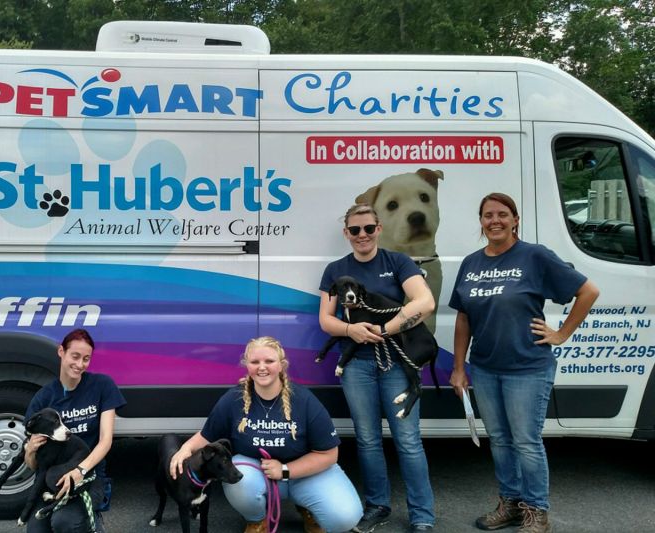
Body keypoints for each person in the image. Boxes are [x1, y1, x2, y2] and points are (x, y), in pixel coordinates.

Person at [448, 193, 599, 533]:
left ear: (515, 220)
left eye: (503, 214)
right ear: (481, 221)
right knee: (500, 440)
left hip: (527, 368)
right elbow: (463, 318)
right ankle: (510, 504)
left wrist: (561, 333)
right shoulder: (471, 263)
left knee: (526, 442)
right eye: (488, 215)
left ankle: (536, 512)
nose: (495, 220)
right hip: (485, 368)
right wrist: (459, 368)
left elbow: (588, 291)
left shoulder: (534, 256)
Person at [319, 203, 437, 533]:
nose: (362, 235)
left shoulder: (397, 262)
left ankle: (422, 514)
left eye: (368, 228)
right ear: (346, 233)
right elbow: (326, 320)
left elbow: (424, 303)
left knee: (408, 440)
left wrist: (385, 330)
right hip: (357, 364)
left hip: (397, 363)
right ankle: (377, 505)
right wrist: (350, 330)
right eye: (355, 230)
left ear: (378, 229)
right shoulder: (335, 269)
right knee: (368, 440)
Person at [169, 336, 362, 533]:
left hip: (305, 474)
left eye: (269, 361)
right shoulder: (233, 398)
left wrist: (285, 470)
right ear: (246, 366)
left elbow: (329, 454)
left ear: (282, 365)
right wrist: (185, 448)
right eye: (255, 362)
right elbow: (207, 435)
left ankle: (308, 507)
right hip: (259, 472)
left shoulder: (304, 400)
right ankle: (257, 520)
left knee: (345, 518)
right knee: (238, 480)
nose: (262, 367)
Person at [24, 328, 126, 533]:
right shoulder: (43, 399)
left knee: (64, 522)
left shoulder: (102, 386)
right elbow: (34, 466)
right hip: (51, 481)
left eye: (86, 359)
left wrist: (80, 471)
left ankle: (92, 521)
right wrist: (30, 451)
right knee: (36, 529)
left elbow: (106, 440)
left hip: (89, 476)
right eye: (75, 356)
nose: (80, 365)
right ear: (61, 351)